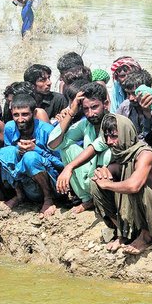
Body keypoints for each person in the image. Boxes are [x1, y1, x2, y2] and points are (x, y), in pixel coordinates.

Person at [90, 114, 152, 254]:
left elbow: (134, 185)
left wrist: (107, 184)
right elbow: (109, 172)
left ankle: (146, 237)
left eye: (113, 136)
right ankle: (123, 232)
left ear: (126, 133)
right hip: (138, 218)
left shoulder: (144, 154)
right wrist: (101, 174)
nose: (109, 141)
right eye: (106, 137)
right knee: (95, 185)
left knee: (137, 188)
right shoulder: (122, 154)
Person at [0, 93, 63, 216]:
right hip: (25, 183)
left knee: (30, 157)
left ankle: (48, 200)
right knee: (7, 152)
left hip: (50, 185)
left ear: (34, 113)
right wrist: (18, 150)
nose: (20, 119)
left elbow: (61, 163)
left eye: (25, 114)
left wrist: (36, 149)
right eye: (16, 115)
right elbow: (9, 157)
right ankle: (19, 195)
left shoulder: (47, 130)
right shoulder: (10, 127)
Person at [49, 82, 113, 213]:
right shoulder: (86, 124)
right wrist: (71, 112)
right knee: (67, 148)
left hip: (112, 181)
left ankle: (100, 199)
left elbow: (97, 145)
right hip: (93, 176)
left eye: (94, 107)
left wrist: (69, 167)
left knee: (107, 155)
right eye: (86, 109)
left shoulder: (114, 121)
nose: (90, 114)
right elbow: (54, 144)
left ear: (105, 104)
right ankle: (87, 199)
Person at [116, 69, 152, 141]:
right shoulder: (125, 106)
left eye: (135, 93)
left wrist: (148, 115)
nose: (131, 98)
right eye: (128, 94)